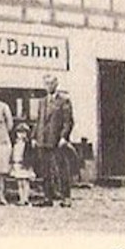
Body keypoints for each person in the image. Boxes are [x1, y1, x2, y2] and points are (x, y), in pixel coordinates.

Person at [35, 74, 76, 206]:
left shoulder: (64, 101)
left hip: (57, 140)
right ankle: (48, 197)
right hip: (43, 139)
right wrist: (34, 137)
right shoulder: (42, 102)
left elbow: (68, 122)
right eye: (46, 83)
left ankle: (66, 198)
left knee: (61, 168)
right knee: (45, 170)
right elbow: (38, 121)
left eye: (51, 83)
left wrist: (64, 137)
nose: (48, 86)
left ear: (56, 84)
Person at [8, 122, 36, 205]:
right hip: (17, 164)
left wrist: (28, 164)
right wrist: (11, 163)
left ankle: (26, 198)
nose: (21, 135)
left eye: (24, 133)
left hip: (25, 165)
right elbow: (13, 154)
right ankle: (21, 199)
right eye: (19, 133)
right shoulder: (16, 144)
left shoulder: (28, 145)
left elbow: (30, 156)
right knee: (19, 183)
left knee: (25, 182)